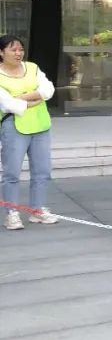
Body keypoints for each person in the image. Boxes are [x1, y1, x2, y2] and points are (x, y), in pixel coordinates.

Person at [0, 35, 57, 230]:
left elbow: (48, 90)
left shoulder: (32, 68)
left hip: (41, 125)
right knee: (12, 173)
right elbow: (9, 105)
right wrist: (35, 99)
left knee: (42, 171)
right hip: (14, 127)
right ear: (1, 53)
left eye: (21, 49)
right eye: (13, 50)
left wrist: (23, 97)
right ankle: (11, 214)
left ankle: (37, 210)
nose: (18, 53)